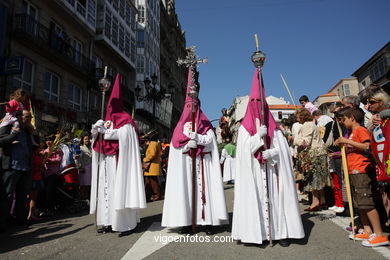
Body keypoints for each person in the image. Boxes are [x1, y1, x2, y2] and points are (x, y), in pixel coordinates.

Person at [232, 69, 304, 247]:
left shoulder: (274, 127)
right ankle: (256, 233)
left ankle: (280, 232)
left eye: (259, 101)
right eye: (254, 101)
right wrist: (258, 137)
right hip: (253, 172)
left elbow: (284, 151)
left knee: (276, 200)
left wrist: (272, 153)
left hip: (272, 172)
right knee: (254, 199)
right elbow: (243, 151)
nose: (257, 105)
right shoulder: (243, 128)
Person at [162, 68, 228, 235]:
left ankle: (207, 222)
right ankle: (186, 221)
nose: (193, 107)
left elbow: (211, 141)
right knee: (186, 192)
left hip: (203, 164)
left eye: (195, 105)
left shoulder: (205, 124)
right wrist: (186, 145)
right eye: (189, 105)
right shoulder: (180, 126)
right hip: (186, 165)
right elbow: (176, 145)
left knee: (204, 193)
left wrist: (198, 139)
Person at [90, 74, 146, 236]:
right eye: (110, 104)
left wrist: (107, 132)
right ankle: (107, 221)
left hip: (119, 161)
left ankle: (125, 223)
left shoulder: (126, 119)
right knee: (106, 191)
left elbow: (127, 135)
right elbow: (97, 138)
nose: (111, 108)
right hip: (106, 161)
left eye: (114, 104)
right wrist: (96, 129)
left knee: (119, 190)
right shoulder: (105, 119)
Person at [335, 107, 389, 247]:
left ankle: (380, 234)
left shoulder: (360, 130)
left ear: (352, 118)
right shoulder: (351, 133)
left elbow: (367, 146)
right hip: (352, 171)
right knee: (360, 204)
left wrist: (348, 142)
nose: (342, 122)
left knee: (367, 203)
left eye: (344, 119)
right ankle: (367, 229)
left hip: (361, 171)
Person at [1, 110, 39, 225]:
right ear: (19, 117)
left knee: (22, 195)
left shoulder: (28, 131)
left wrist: (35, 134)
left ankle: (21, 220)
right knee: (7, 195)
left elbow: (36, 146)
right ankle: (3, 222)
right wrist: (13, 135)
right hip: (11, 167)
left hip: (26, 167)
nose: (29, 119)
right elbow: (1, 140)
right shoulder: (9, 126)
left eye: (30, 117)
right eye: (27, 117)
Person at [294, 108, 329, 212]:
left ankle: (315, 202)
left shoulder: (307, 125)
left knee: (313, 178)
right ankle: (322, 200)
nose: (297, 118)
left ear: (302, 116)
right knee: (319, 179)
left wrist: (294, 139)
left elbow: (305, 142)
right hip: (319, 153)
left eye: (298, 116)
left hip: (314, 155)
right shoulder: (312, 124)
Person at [143, 133, 162, 201]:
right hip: (152, 166)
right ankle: (148, 196)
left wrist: (145, 159)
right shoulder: (155, 143)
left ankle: (156, 196)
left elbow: (152, 154)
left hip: (151, 166)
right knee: (149, 182)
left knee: (153, 183)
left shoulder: (153, 143)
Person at [75, 134, 92, 201]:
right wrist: (79, 167)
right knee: (84, 185)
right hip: (84, 169)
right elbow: (76, 159)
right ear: (82, 140)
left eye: (88, 139)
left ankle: (89, 199)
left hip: (91, 169)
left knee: (90, 185)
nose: (87, 140)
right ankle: (83, 200)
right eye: (85, 139)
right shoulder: (80, 148)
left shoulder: (92, 147)